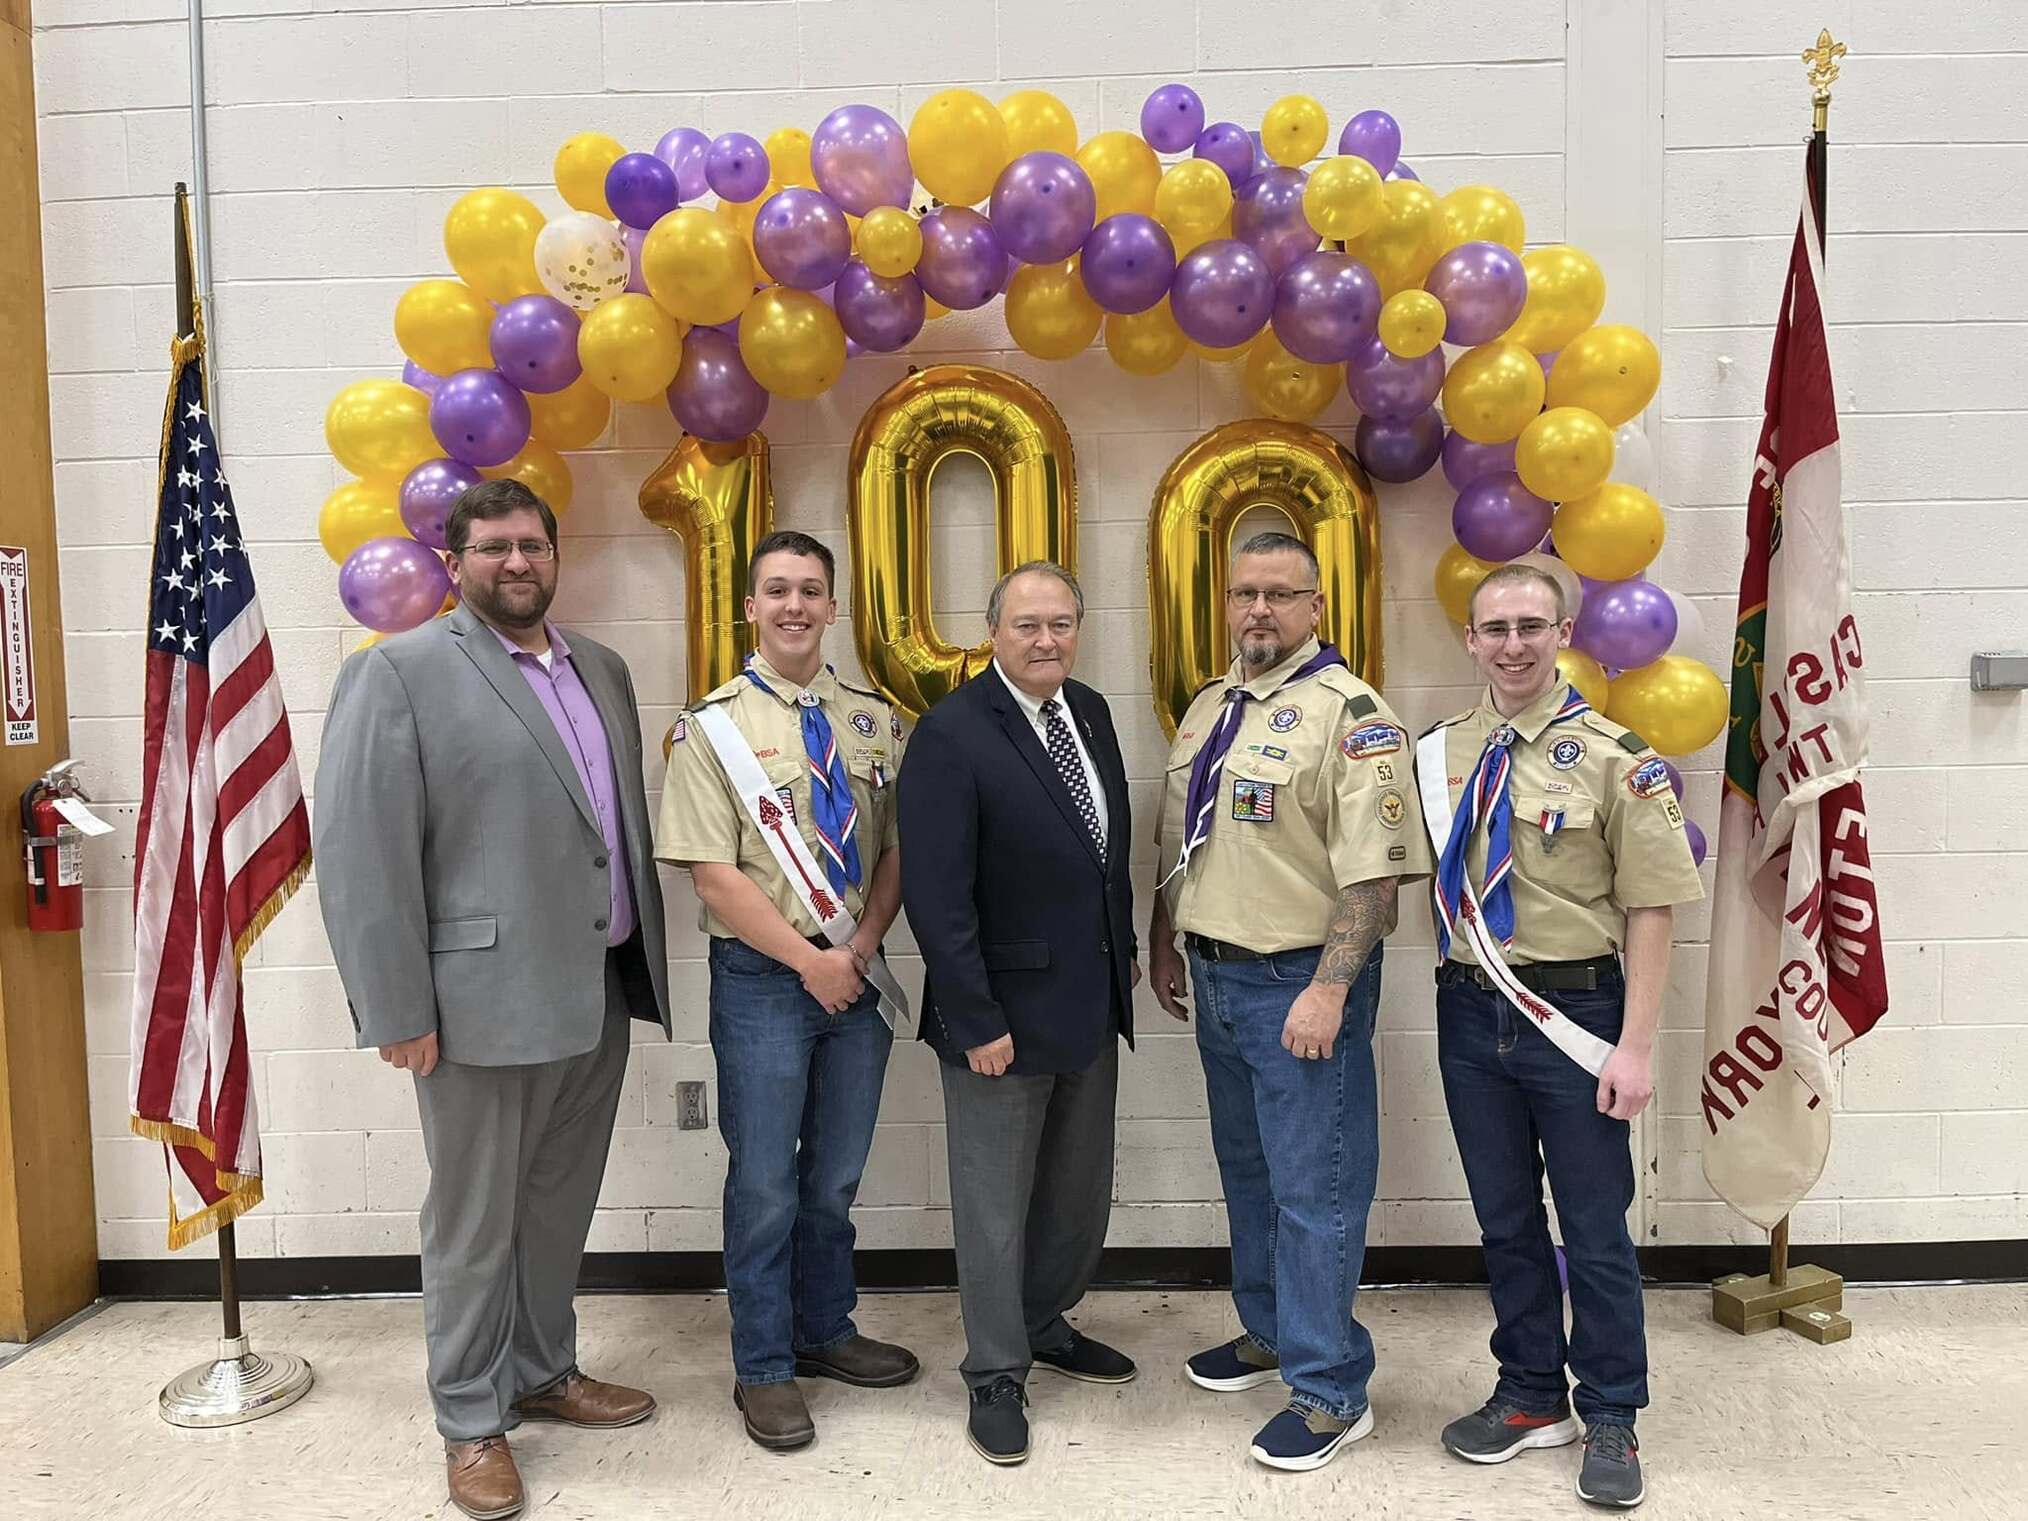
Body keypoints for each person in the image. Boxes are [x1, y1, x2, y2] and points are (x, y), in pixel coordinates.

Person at [315, 479, 670, 1521]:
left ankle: (542, 1371)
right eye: (494, 548)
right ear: (455, 560)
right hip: (473, 1006)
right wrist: (396, 1008)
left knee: (556, 1207)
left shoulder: (600, 669)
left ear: (555, 555)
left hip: (595, 989)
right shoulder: (401, 673)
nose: (518, 563)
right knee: (474, 1223)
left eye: (533, 545)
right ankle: (471, 1420)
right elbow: (360, 851)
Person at [1418, 562, 1702, 1510]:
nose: (1512, 644)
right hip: (1469, 1012)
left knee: (1594, 1224)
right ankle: (1532, 1388)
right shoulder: (1441, 753)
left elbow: (1652, 906)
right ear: (1470, 639)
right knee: (1504, 1219)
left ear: (1564, 630)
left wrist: (1637, 1044)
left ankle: (1613, 1407)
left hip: (1576, 1014)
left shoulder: (1619, 756)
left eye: (1530, 625)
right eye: (1494, 627)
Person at [1147, 531, 1432, 1473]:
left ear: (1318, 607)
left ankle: (1331, 1387)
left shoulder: (1353, 717)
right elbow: (1185, 842)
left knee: (1318, 1189)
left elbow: (1377, 882)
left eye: (1280, 594)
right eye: (1244, 594)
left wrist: (1330, 987)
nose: (1259, 610)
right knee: (1250, 1172)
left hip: (1299, 984)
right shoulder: (1209, 707)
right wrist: (1165, 936)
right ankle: (1271, 1331)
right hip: (1219, 975)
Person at [654, 530, 918, 1452]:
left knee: (835, 1179)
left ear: (833, 606)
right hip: (767, 977)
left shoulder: (875, 721)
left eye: (811, 589)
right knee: (765, 1181)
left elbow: (891, 851)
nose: (795, 604)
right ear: (752, 607)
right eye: (777, 590)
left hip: (859, 971)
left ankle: (825, 1329)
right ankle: (764, 1365)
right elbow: (710, 872)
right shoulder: (710, 725)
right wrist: (813, 961)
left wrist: (863, 944)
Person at [898, 561, 1143, 1466]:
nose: (1047, 640)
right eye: (1028, 624)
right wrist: (972, 1015)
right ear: (992, 630)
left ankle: (1044, 1320)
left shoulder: (1092, 711)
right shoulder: (952, 732)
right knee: (995, 1205)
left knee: (1076, 1194)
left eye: (1062, 623)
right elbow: (937, 893)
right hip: (997, 1014)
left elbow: (1101, 859)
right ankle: (995, 1371)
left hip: (1089, 1000)